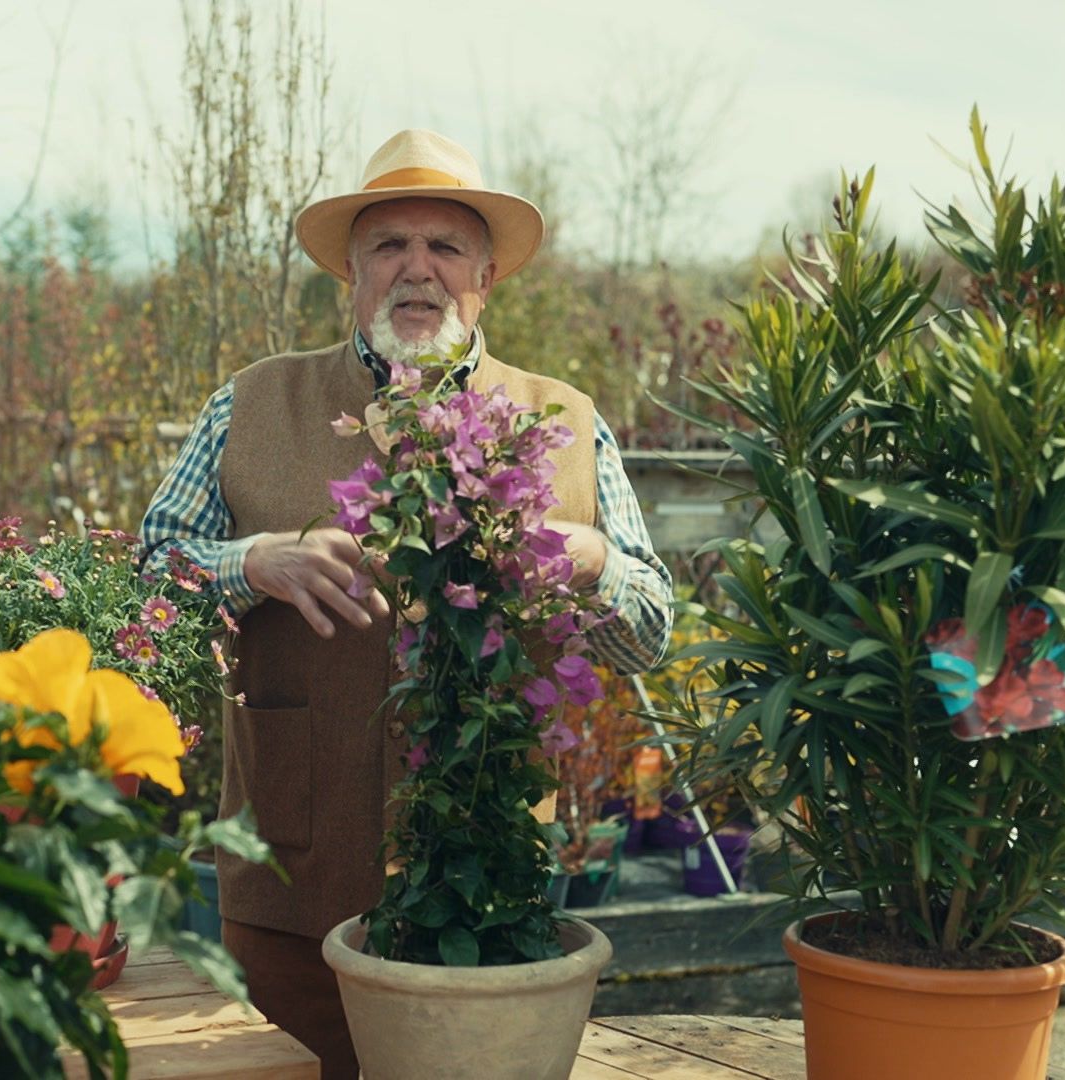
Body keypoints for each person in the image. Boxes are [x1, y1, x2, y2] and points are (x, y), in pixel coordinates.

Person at [139, 128, 675, 1078]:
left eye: (446, 247)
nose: (416, 269)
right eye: (389, 245)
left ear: (487, 277)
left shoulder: (567, 421)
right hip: (290, 885)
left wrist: (596, 564)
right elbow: (147, 583)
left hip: (490, 898)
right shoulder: (252, 402)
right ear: (350, 272)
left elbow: (650, 637)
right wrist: (254, 563)